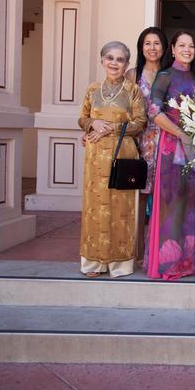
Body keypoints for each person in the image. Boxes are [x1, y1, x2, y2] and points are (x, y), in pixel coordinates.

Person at [145, 31, 195, 280]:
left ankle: (190, 260)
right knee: (172, 203)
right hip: (171, 149)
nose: (187, 50)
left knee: (194, 202)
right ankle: (169, 263)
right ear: (172, 49)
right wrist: (181, 134)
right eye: (181, 45)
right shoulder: (165, 76)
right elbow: (154, 111)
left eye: (191, 46)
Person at [78, 41, 147, 277]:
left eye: (120, 59)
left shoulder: (133, 90)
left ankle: (120, 263)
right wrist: (92, 123)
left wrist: (109, 128)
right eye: (110, 58)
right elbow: (82, 118)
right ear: (102, 60)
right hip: (95, 156)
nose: (114, 63)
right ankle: (94, 262)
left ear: (127, 64)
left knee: (121, 208)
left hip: (122, 153)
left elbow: (140, 122)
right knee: (95, 207)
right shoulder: (92, 89)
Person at [125, 27, 169, 266]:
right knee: (140, 197)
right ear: (141, 48)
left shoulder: (170, 73)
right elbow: (122, 108)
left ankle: (159, 252)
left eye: (157, 43)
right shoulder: (133, 75)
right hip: (140, 141)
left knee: (163, 196)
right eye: (147, 43)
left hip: (167, 140)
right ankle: (137, 251)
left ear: (164, 47)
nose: (152, 48)